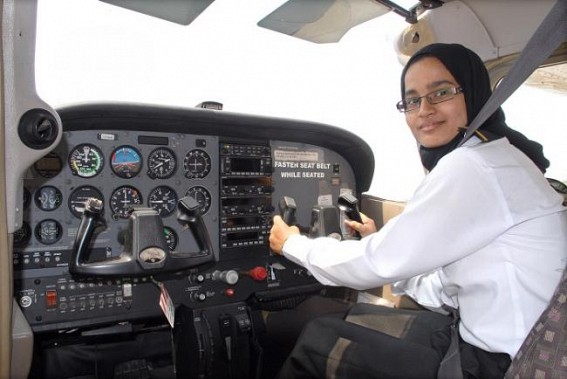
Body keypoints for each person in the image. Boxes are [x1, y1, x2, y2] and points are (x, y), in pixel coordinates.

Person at [269, 43, 567, 379]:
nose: (424, 109)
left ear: (475, 95)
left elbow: (375, 263)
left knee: (318, 340)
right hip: (497, 342)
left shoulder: (474, 166)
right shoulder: (500, 157)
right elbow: (447, 287)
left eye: (441, 92)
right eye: (412, 100)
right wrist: (384, 244)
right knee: (332, 317)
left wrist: (292, 244)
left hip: (502, 365)